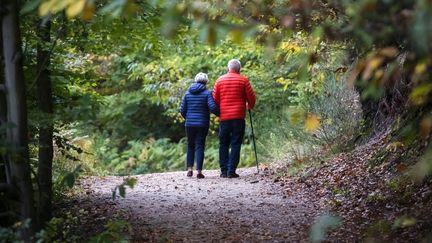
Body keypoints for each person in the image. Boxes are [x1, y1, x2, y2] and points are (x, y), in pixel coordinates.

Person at [213, 59, 256, 178]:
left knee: (223, 144)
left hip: (224, 118)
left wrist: (220, 111)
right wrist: (249, 106)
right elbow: (251, 98)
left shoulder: (219, 80)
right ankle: (231, 171)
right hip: (238, 117)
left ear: (228, 68)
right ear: (239, 69)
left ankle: (223, 171)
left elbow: (214, 100)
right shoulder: (243, 80)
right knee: (236, 143)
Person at [179, 72, 219, 179]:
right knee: (200, 145)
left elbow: (182, 110)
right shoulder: (207, 93)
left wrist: (188, 118)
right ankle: (199, 171)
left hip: (189, 124)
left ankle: (189, 169)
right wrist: (220, 113)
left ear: (195, 80)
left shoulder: (187, 93)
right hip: (202, 123)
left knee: (190, 145)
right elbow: (212, 107)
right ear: (206, 82)